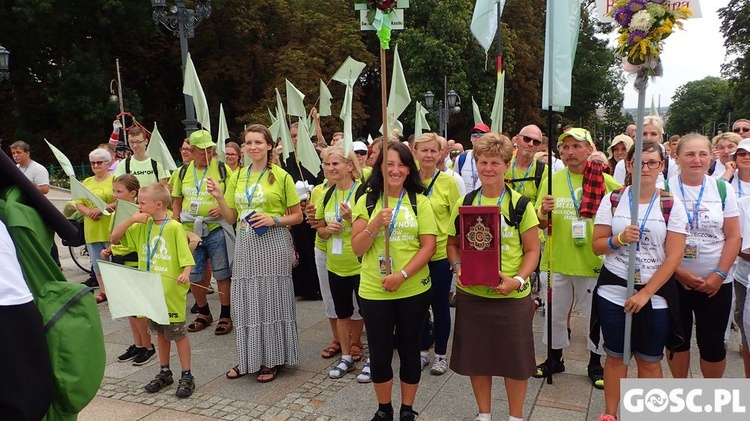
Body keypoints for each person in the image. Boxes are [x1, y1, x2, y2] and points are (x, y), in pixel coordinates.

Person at [591, 142, 688, 421]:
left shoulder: (670, 204)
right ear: (629, 165)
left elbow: (674, 257)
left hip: (653, 294)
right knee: (616, 357)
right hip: (613, 290)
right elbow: (596, 246)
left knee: (649, 359)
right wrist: (618, 239)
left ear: (661, 167)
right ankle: (610, 413)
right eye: (640, 162)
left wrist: (645, 294)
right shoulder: (613, 198)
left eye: (653, 163)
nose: (645, 168)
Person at [447, 133, 540, 421]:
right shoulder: (465, 202)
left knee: (515, 362)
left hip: (511, 297)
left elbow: (533, 250)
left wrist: (519, 281)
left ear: (506, 164)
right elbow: (452, 243)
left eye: (495, 163)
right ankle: (484, 414)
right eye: (483, 162)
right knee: (478, 359)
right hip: (473, 295)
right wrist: (458, 266)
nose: (488, 168)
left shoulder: (521, 204)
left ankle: (515, 417)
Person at [209, 124, 303, 383]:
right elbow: (230, 217)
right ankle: (249, 357)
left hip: (273, 244)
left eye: (258, 142)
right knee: (247, 301)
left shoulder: (281, 176)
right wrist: (219, 197)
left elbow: (298, 215)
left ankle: (271, 358)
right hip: (246, 245)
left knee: (270, 300)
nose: (253, 147)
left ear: (269, 145)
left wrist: (274, 220)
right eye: (249, 143)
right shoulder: (238, 176)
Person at [351, 140, 437, 421]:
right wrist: (375, 224)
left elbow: (428, 247)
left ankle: (407, 409)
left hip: (412, 289)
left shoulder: (420, 201)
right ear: (379, 167)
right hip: (375, 290)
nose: (395, 170)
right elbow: (357, 247)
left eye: (401, 164)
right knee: (380, 350)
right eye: (389, 163)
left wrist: (402, 275)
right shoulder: (367, 201)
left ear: (409, 168)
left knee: (411, 348)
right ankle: (384, 408)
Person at [535, 128, 620, 389]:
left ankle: (595, 362)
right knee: (554, 314)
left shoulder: (607, 182)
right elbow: (540, 222)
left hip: (592, 261)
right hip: (556, 258)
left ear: (588, 149)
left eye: (576, 146)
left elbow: (621, 216)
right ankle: (554, 357)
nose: (570, 152)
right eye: (566, 147)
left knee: (595, 316)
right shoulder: (551, 179)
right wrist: (543, 212)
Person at [110, 183, 196, 397]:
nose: (138, 206)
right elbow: (114, 238)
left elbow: (187, 258)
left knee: (178, 334)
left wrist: (185, 272)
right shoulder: (141, 224)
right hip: (150, 292)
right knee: (159, 334)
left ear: (158, 204)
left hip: (170, 294)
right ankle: (164, 371)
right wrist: (130, 220)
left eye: (141, 203)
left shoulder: (174, 227)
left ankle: (187, 375)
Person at [666, 133, 740, 379]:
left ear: (711, 157)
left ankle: (710, 398)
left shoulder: (722, 189)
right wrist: (676, 272)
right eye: (689, 154)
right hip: (674, 279)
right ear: (677, 158)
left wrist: (719, 275)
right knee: (677, 341)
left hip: (715, 283)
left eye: (702, 154)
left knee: (713, 345)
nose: (696, 160)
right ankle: (680, 394)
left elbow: (733, 237)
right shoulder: (664, 189)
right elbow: (656, 239)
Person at [172, 130, 234, 335]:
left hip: (216, 227)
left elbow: (234, 196)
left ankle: (226, 314)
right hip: (191, 231)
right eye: (202, 151)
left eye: (210, 150)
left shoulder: (223, 169)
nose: (207, 155)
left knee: (222, 272)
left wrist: (223, 206)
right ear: (191, 151)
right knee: (195, 274)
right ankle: (204, 312)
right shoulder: (182, 172)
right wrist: (175, 224)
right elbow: (177, 200)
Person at [315, 143, 367, 378]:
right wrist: (329, 229)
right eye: (327, 164)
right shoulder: (327, 192)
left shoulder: (362, 192)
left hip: (360, 263)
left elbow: (372, 225)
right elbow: (320, 230)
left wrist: (351, 218)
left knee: (369, 313)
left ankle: (373, 358)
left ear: (349, 165)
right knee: (342, 313)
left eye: (335, 163)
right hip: (335, 264)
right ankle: (346, 358)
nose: (330, 168)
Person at [412, 133, 461, 376]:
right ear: (415, 152)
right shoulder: (409, 180)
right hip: (414, 254)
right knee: (418, 307)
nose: (429, 155)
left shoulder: (449, 183)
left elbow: (456, 221)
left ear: (441, 154)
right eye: (424, 150)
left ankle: (440, 354)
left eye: (433, 150)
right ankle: (422, 351)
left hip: (440, 254)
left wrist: (456, 258)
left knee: (440, 306)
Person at [101, 174, 157, 366]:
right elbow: (113, 238)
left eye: (119, 191)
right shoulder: (117, 213)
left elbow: (118, 236)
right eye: (114, 191)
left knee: (138, 309)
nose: (115, 195)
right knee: (128, 308)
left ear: (133, 193)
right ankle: (138, 343)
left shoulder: (139, 215)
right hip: (118, 259)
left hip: (133, 262)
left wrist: (131, 220)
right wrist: (109, 249)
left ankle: (148, 346)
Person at [282, 122, 324, 300]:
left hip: (314, 211)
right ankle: (302, 286)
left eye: (299, 135)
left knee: (314, 248)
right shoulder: (287, 160)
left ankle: (318, 286)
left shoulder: (317, 157)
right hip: (296, 212)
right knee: (301, 249)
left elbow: (323, 182)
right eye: (292, 136)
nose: (296, 139)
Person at [75, 148, 116, 303]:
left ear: (108, 163)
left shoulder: (115, 179)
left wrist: (102, 209)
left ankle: (115, 290)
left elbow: (121, 200)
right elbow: (78, 202)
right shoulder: (86, 182)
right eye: (93, 163)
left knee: (113, 261)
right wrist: (88, 211)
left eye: (99, 162)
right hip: (92, 228)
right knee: (97, 263)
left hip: (110, 226)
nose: (96, 166)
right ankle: (104, 291)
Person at [728, 138, 750, 377]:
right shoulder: (731, 189)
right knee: (745, 330)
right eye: (741, 153)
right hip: (741, 272)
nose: (746, 157)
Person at [613, 116, 676, 185]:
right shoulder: (623, 165)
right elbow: (618, 192)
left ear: (660, 137)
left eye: (653, 134)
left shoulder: (670, 165)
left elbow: (672, 191)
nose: (648, 138)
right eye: (644, 134)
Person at [506, 125, 548, 204]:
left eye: (536, 142)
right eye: (527, 139)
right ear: (517, 139)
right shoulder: (503, 164)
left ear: (539, 146)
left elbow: (541, 208)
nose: (531, 144)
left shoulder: (544, 172)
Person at [456, 123, 490, 192]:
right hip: (465, 201)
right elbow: (455, 182)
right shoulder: (461, 159)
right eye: (474, 134)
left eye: (482, 134)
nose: (477, 137)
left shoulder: (493, 159)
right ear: (471, 138)